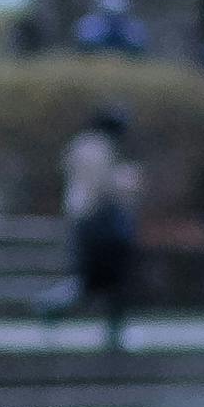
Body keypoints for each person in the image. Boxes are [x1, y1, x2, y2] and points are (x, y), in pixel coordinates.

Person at [54, 108, 144, 350]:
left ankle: (55, 307)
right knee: (100, 281)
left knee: (96, 282)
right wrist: (126, 181)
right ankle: (53, 306)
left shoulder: (84, 145)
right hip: (98, 224)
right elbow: (103, 185)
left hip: (89, 220)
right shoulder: (96, 148)